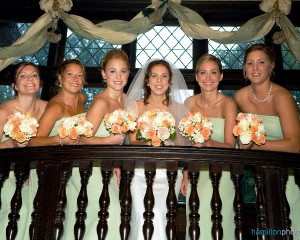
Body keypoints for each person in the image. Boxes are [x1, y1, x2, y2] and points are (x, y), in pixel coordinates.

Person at [234, 44, 300, 237]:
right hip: (261, 174)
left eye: (261, 62)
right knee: (267, 224)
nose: (255, 68)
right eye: (250, 63)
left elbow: (295, 144)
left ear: (271, 66)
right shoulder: (240, 96)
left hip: (290, 174)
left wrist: (255, 145)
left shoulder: (282, 97)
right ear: (244, 69)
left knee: (291, 224)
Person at [125, 59, 191, 239]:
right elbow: (132, 141)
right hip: (140, 173)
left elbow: (185, 145)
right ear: (147, 80)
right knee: (141, 216)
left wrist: (185, 174)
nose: (159, 81)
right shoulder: (135, 107)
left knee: (162, 218)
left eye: (164, 76)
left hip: (169, 173)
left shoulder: (180, 109)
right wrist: (148, 142)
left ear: (170, 81)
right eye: (154, 76)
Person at [181, 54, 237, 240]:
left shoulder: (229, 104)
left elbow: (230, 145)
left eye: (213, 72)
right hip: (196, 172)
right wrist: (186, 173)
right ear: (196, 77)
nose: (208, 78)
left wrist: (207, 143)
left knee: (221, 222)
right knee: (196, 222)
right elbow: (186, 145)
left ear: (221, 76)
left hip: (222, 173)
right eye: (203, 73)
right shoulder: (189, 103)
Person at [0, 62, 47, 239]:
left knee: (40, 213)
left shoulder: (47, 108)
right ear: (14, 85)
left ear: (40, 82)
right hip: (8, 173)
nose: (30, 79)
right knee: (19, 210)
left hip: (37, 173)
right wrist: (12, 144)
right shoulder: (4, 110)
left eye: (34, 75)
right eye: (23, 75)